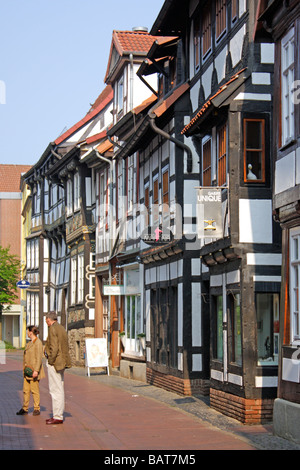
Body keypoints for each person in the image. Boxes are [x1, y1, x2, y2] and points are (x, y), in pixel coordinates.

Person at [44, 311, 71, 425]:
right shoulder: (61, 328)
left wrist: (50, 360)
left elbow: (54, 347)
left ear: (49, 320)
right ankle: (58, 414)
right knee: (60, 387)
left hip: (55, 362)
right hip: (62, 362)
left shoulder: (53, 329)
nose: (46, 323)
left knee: (55, 389)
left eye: (46, 321)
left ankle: (57, 416)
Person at [16, 326, 45, 416]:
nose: (27, 333)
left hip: (34, 371)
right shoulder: (29, 343)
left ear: (31, 332)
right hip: (27, 371)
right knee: (26, 390)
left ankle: (37, 408)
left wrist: (36, 370)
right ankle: (25, 408)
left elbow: (39, 358)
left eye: (27, 332)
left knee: (34, 390)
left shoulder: (38, 343)